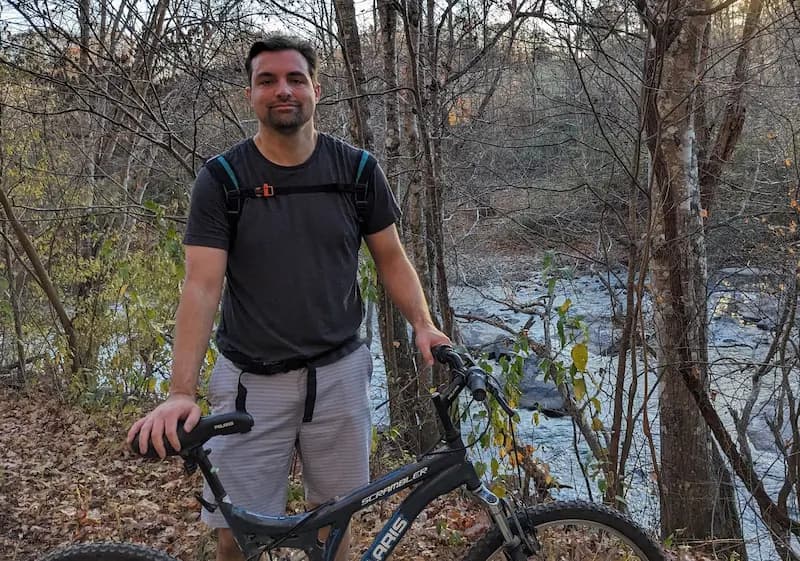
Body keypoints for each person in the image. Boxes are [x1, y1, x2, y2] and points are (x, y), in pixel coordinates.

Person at [126, 34, 450, 561]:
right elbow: (202, 285)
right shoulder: (224, 179)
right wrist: (181, 390)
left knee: (337, 526)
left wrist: (423, 323)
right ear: (250, 94)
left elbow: (391, 256)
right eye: (268, 80)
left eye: (295, 79)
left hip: (340, 375)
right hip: (253, 381)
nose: (283, 90)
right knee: (237, 537)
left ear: (316, 90)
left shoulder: (357, 171)